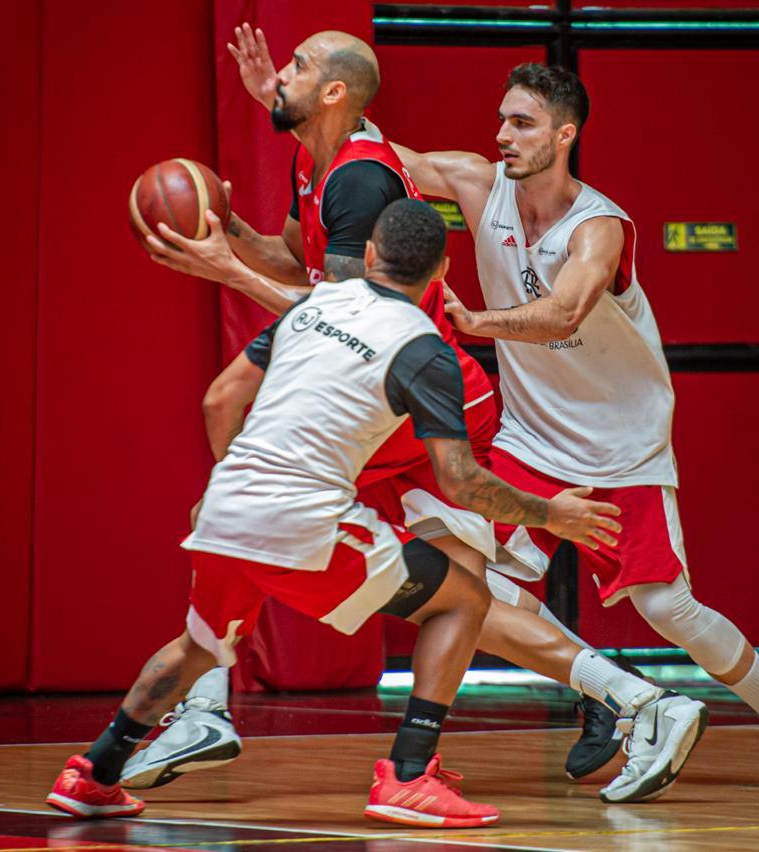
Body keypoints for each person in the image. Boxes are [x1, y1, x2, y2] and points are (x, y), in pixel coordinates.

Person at [130, 26, 691, 797]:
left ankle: (628, 700)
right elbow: (296, 264)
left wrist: (226, 270)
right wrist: (225, 235)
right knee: (450, 588)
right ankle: (626, 696)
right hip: (383, 393)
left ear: (331, 94)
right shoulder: (312, 159)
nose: (276, 76)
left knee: (287, 528)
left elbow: (340, 319)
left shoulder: (362, 182)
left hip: (417, 394)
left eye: (295, 68)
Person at [46, 200, 635, 826]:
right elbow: (460, 482)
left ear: (371, 255)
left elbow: (221, 398)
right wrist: (551, 515)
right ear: (442, 270)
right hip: (304, 518)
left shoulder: (313, 306)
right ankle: (409, 775)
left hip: (225, 508)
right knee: (463, 599)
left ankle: (95, 772)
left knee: (200, 644)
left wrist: (236, 477)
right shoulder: (426, 350)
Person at [391, 64, 759, 788]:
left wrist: (475, 320)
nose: (502, 135)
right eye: (502, 119)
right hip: (529, 439)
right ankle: (605, 689)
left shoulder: (597, 227)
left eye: (523, 123)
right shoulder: (479, 186)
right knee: (458, 574)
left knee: (668, 607)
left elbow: (564, 312)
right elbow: (385, 157)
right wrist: (294, 108)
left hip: (619, 446)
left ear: (566, 134)